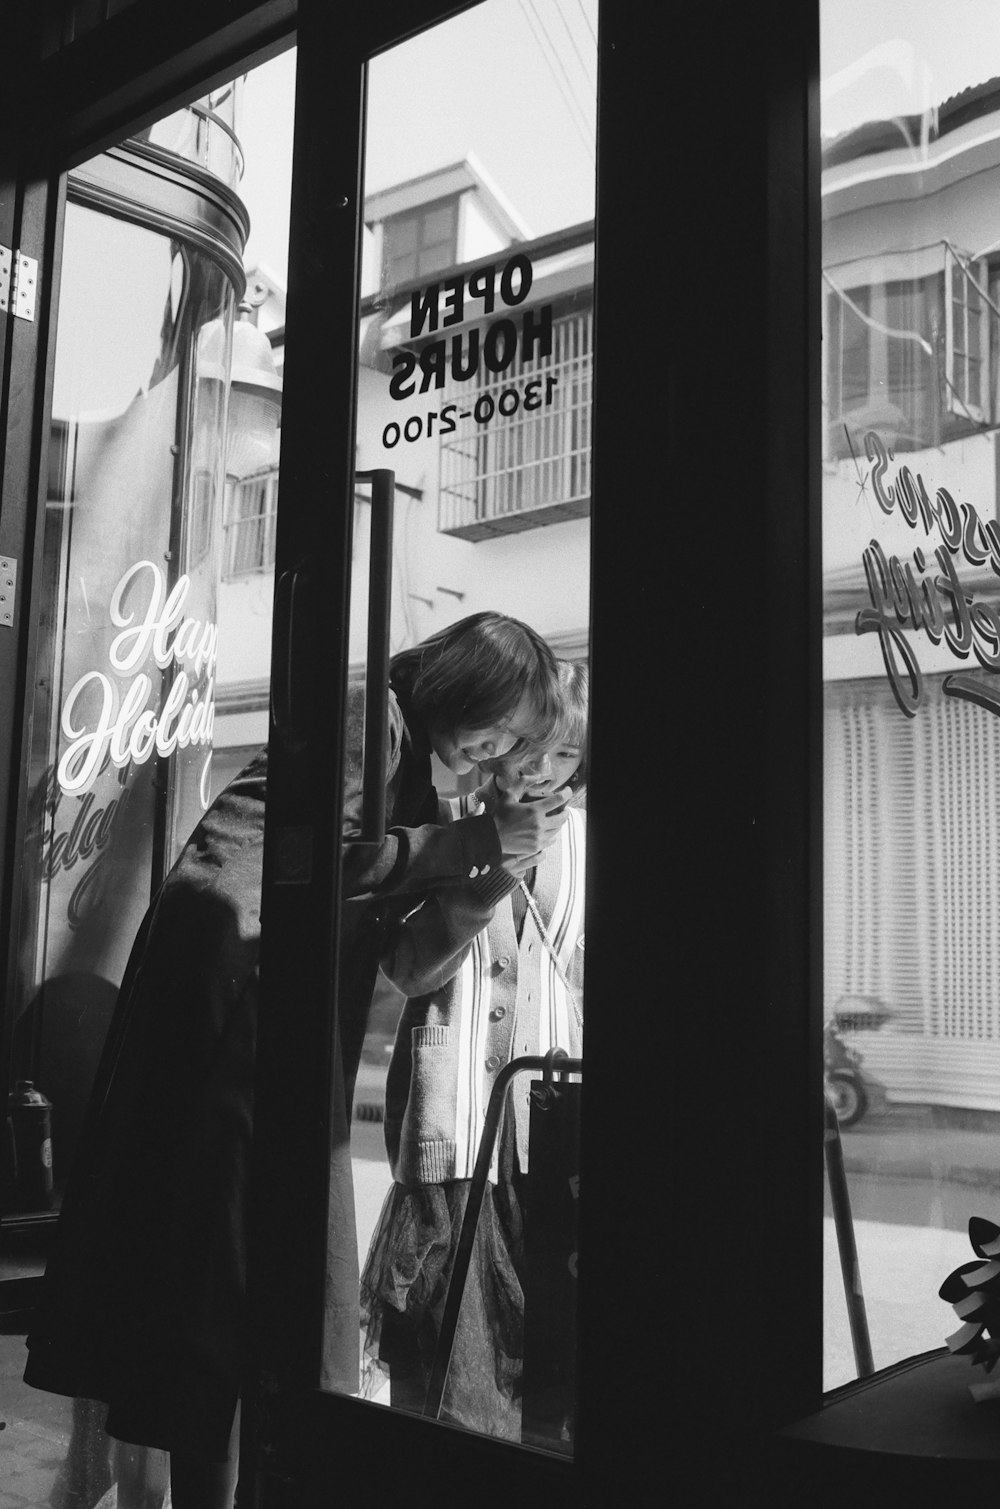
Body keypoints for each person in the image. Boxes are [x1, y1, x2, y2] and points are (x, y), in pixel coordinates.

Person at [23, 612, 568, 1509]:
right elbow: (304, 863)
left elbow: (403, 957)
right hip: (229, 1006)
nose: (499, 752)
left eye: (521, 744)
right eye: (501, 727)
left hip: (274, 1014)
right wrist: (475, 848)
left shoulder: (425, 781)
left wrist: (493, 866)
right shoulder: (373, 719)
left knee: (246, 1288)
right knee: (220, 1281)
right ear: (465, 684)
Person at [360, 660, 588, 1444]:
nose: (540, 769)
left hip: (547, 1136)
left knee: (546, 1368)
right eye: (532, 748)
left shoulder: (591, 843)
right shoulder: (448, 819)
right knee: (437, 1359)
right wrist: (487, 872)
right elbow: (407, 965)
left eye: (565, 754)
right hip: (452, 1123)